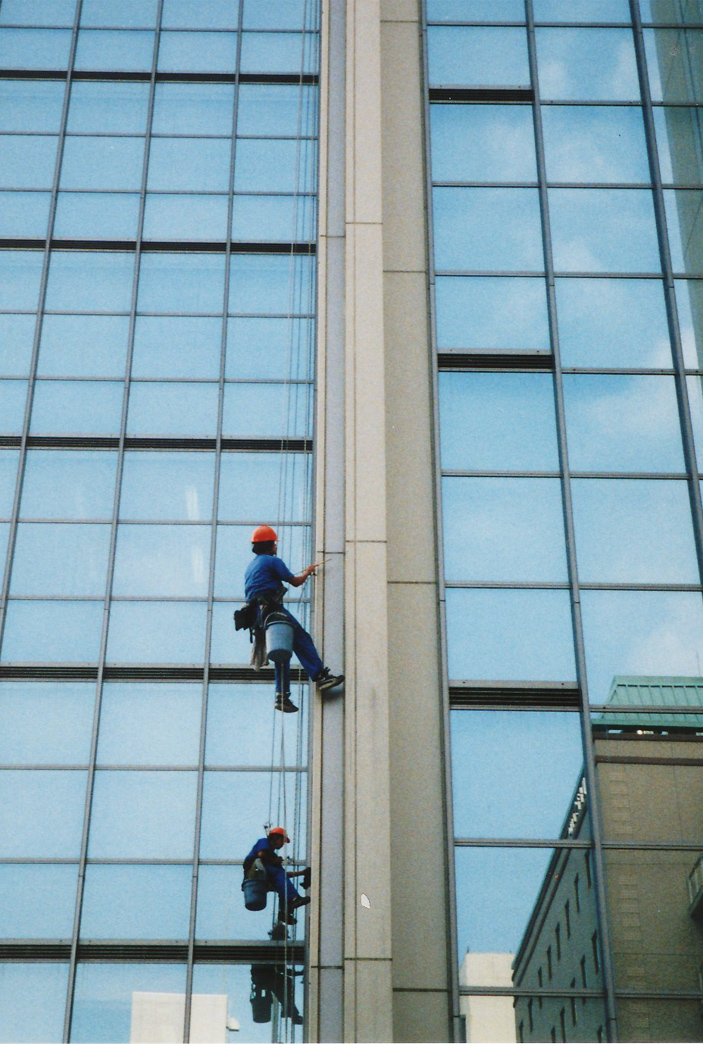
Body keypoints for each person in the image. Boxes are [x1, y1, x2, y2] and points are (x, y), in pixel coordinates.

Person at [244, 524, 343, 713]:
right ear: (269, 544)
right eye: (274, 543)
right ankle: (320, 677)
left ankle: (282, 696)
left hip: (258, 615)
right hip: (271, 609)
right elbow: (295, 582)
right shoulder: (273, 561)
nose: (276, 547)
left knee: (282, 649)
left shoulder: (252, 565)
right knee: (301, 638)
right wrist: (308, 571)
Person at [243, 826, 310, 926]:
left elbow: (282, 876)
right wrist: (274, 861)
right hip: (253, 871)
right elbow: (261, 854)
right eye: (282, 841)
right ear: (276, 838)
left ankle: (284, 912)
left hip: (260, 877)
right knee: (278, 875)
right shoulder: (264, 842)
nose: (282, 844)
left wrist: (301, 873)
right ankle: (294, 899)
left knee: (281, 885)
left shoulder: (272, 856)